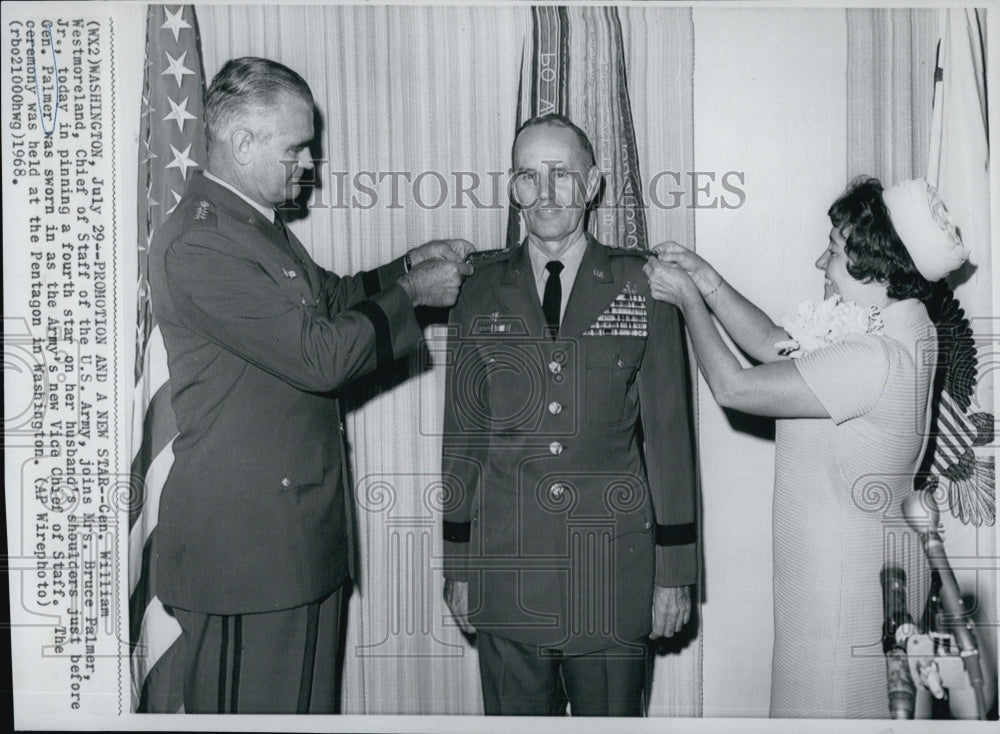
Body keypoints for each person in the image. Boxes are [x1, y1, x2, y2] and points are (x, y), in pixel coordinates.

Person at [148, 56, 474, 714]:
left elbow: (331, 300)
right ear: (243, 143)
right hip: (251, 559)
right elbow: (319, 356)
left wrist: (405, 267)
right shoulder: (201, 243)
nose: (309, 166)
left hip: (294, 548)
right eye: (297, 148)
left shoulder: (255, 228)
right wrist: (414, 295)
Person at [643, 176, 970, 718]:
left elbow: (735, 386)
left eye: (837, 251)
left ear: (880, 265)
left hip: (839, 599)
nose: (823, 262)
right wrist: (710, 282)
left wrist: (686, 304)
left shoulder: (875, 357)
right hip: (853, 581)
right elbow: (779, 346)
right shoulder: (904, 326)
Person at [440, 114, 698, 716]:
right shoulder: (477, 288)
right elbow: (463, 438)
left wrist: (674, 571)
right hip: (506, 570)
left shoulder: (644, 286)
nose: (546, 192)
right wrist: (457, 561)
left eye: (562, 175)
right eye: (529, 177)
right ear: (513, 189)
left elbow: (668, 439)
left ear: (594, 184)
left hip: (610, 574)